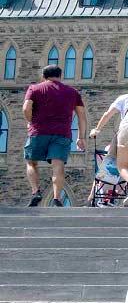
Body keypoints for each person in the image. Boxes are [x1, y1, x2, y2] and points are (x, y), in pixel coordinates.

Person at [22, 65, 86, 207]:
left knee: (31, 162)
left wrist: (30, 121)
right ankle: (57, 198)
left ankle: (36, 191)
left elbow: (26, 108)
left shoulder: (34, 88)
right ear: (60, 76)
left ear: (43, 76)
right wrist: (81, 137)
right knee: (58, 165)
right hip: (62, 134)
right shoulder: (72, 92)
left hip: (39, 131)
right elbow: (81, 116)